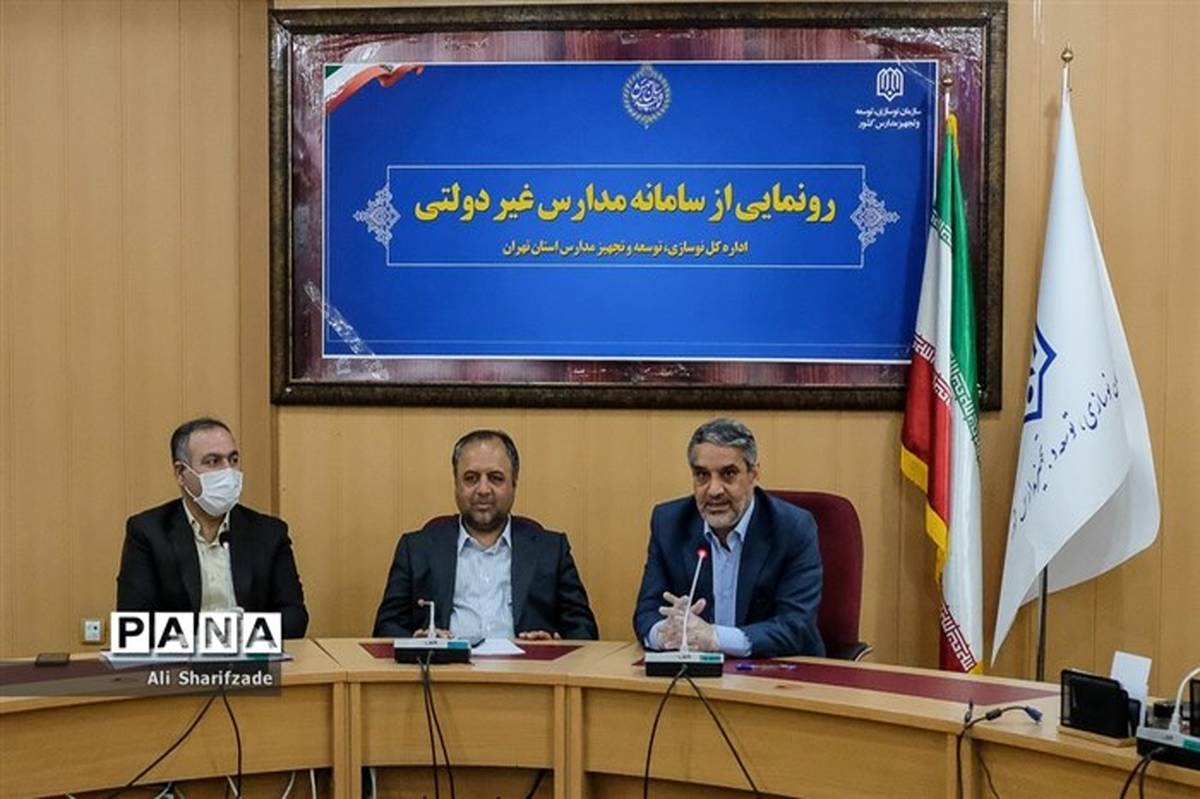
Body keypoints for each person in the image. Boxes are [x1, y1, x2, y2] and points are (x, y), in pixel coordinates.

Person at [374, 429, 598, 641]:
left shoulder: (551, 550)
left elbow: (584, 630)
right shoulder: (416, 549)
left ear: (514, 483)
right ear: (456, 483)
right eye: (471, 478)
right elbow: (386, 628)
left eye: (496, 478)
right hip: (443, 667)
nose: (483, 490)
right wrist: (418, 643)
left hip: (527, 668)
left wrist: (555, 647)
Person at [633, 417, 824, 658]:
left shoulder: (792, 528)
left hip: (775, 670)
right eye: (702, 475)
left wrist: (715, 638)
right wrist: (666, 632)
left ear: (753, 474)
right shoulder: (670, 523)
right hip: (695, 671)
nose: (714, 490)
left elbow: (795, 627)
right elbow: (647, 612)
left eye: (728, 474)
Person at [116, 418, 309, 638]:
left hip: (253, 657)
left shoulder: (269, 533)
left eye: (233, 460)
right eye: (213, 461)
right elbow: (133, 625)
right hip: (181, 659)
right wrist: (218, 633)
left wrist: (244, 633)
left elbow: (295, 619)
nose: (228, 471)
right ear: (181, 473)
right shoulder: (148, 532)